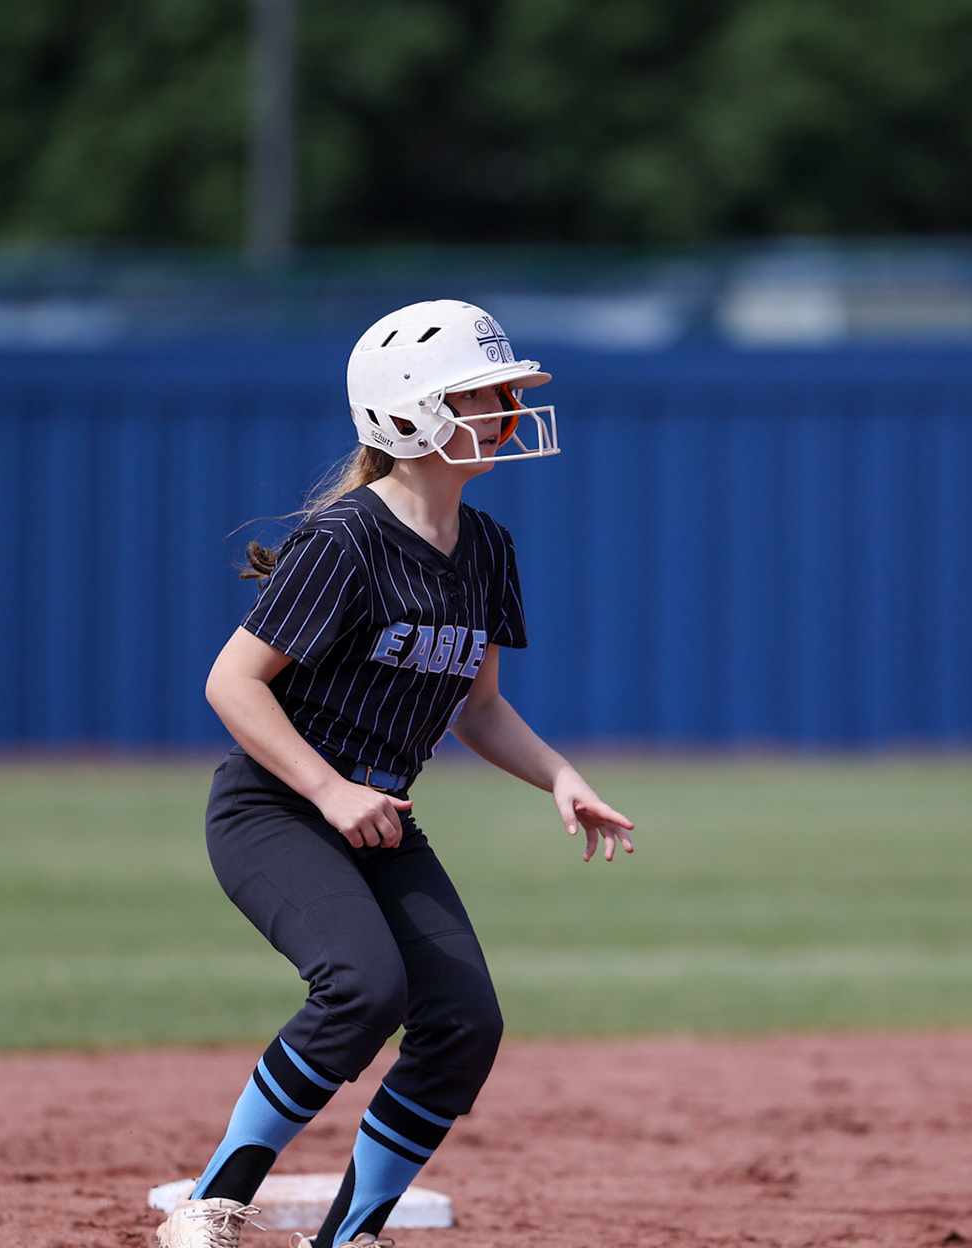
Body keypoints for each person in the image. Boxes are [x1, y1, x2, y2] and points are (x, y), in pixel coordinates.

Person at [154, 300, 635, 1248]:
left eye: (503, 393)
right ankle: (213, 1205)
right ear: (410, 413)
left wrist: (559, 776)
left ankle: (348, 1236)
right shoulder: (346, 541)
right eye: (484, 393)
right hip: (279, 808)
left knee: (464, 1023)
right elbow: (232, 683)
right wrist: (329, 790)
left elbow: (480, 706)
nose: (505, 407)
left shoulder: (487, 548)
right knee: (363, 988)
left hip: (381, 817)